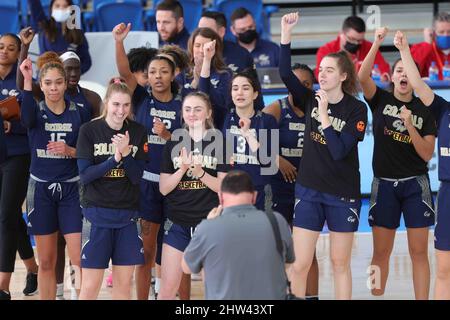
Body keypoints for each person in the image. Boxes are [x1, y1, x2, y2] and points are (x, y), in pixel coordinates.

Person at [280, 13, 368, 299]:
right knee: (300, 264)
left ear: (343, 76)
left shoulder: (356, 110)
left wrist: (326, 119)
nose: (322, 73)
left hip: (342, 194)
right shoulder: (309, 98)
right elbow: (284, 73)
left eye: (329, 70)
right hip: (309, 191)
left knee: (339, 264)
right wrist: (285, 33)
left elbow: (340, 151)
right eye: (321, 68)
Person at [358, 29, 437, 300]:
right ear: (392, 77)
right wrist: (377, 42)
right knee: (380, 252)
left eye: (409, 71)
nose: (404, 75)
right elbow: (361, 77)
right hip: (384, 185)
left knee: (418, 252)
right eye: (399, 71)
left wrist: (409, 126)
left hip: (416, 185)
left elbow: (427, 154)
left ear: (415, 78)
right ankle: (374, 296)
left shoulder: (426, 109)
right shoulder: (381, 99)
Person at [114, 22, 189, 300]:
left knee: (179, 253)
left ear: (173, 74)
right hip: (147, 186)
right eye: (152, 72)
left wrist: (169, 135)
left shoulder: (184, 103)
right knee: (146, 253)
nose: (157, 76)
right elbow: (124, 72)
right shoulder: (142, 98)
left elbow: (191, 144)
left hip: (177, 185)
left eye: (163, 72)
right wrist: (119, 41)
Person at [20, 53, 88, 300]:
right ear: (41, 84)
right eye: (47, 83)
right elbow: (25, 118)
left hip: (71, 191)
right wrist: (27, 79)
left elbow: (89, 150)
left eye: (58, 82)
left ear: (65, 83)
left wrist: (71, 151)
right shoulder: (35, 111)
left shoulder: (79, 112)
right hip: (41, 191)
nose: (53, 87)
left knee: (80, 258)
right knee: (47, 261)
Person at [77, 78, 147, 300]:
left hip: (128, 215)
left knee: (124, 287)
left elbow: (137, 177)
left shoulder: (137, 131)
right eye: (116, 104)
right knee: (90, 287)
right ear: (107, 102)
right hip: (97, 214)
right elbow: (85, 175)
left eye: (126, 105)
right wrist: (113, 158)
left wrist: (126, 154)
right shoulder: (89, 130)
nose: (121, 110)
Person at [394, 30, 450, 300]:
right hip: (448, 194)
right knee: (444, 268)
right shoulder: (443, 109)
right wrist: (405, 49)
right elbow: (417, 84)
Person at [158, 92, 229, 300]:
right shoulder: (173, 143)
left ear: (208, 112)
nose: (192, 114)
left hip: (210, 224)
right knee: (167, 290)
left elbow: (223, 188)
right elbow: (163, 188)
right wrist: (182, 170)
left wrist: (200, 173)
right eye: (187, 109)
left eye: (198, 109)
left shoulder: (221, 143)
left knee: (214, 291)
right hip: (177, 223)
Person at [182, 170, 294, 300]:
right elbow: (288, 261)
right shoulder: (277, 221)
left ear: (220, 197)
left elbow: (186, 267)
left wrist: (206, 225)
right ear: (254, 196)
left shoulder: (208, 228)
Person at [262, 63, 319, 300]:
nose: (300, 88)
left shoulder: (317, 109)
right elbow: (256, 136)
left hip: (307, 187)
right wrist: (278, 159)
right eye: (295, 83)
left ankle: (311, 296)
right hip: (279, 187)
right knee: (276, 247)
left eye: (306, 84)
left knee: (308, 251)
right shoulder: (276, 108)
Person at [0, 32, 39, 301]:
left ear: (18, 53)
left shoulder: (23, 79)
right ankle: (33, 268)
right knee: (10, 216)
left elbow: (31, 121)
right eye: (0, 47)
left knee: (5, 216)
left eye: (11, 48)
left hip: (18, 154)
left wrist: (10, 125)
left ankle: (2, 285)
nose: (4, 51)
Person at [17, 27, 101, 119]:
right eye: (68, 69)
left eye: (77, 69)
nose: (73, 74)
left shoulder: (92, 98)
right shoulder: (46, 92)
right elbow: (21, 84)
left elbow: (98, 130)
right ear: (59, 70)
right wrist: (25, 46)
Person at [223, 70, 277, 211]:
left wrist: (247, 133)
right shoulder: (225, 118)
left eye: (245, 88)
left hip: (259, 191)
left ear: (255, 94)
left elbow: (268, 162)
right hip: (231, 190)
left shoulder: (267, 120)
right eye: (235, 88)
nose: (240, 92)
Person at [181, 27, 232, 128]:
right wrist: (195, 83)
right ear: (191, 47)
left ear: (214, 49)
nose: (201, 50)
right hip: (188, 130)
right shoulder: (184, 73)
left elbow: (221, 104)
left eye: (205, 46)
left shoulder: (224, 74)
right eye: (197, 45)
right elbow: (179, 102)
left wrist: (203, 80)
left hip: (216, 128)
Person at [316, 15, 390, 81]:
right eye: (351, 39)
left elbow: (384, 71)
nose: (356, 43)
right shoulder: (326, 50)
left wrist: (383, 77)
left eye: (359, 40)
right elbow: (320, 76)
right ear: (341, 33)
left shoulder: (369, 48)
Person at [28, 0, 92, 74]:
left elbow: (87, 62)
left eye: (65, 6)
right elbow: (34, 5)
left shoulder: (77, 32)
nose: (61, 9)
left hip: (68, 81)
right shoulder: (44, 26)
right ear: (51, 9)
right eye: (57, 6)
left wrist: (72, 73)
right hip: (45, 78)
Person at [411, 12, 450, 80]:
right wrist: (427, 44)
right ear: (434, 33)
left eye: (449, 32)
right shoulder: (420, 48)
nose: (445, 35)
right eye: (441, 32)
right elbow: (411, 71)